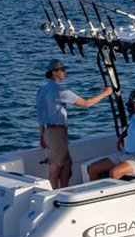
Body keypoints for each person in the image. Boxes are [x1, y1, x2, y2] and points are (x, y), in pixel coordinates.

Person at [37, 58, 112, 189]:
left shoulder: (42, 90)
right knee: (55, 168)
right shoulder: (60, 91)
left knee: (67, 163)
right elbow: (86, 103)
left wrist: (42, 134)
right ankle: (54, 195)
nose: (65, 72)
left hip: (51, 132)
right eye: (63, 70)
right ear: (54, 72)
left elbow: (40, 114)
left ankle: (65, 188)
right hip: (57, 133)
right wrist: (105, 93)